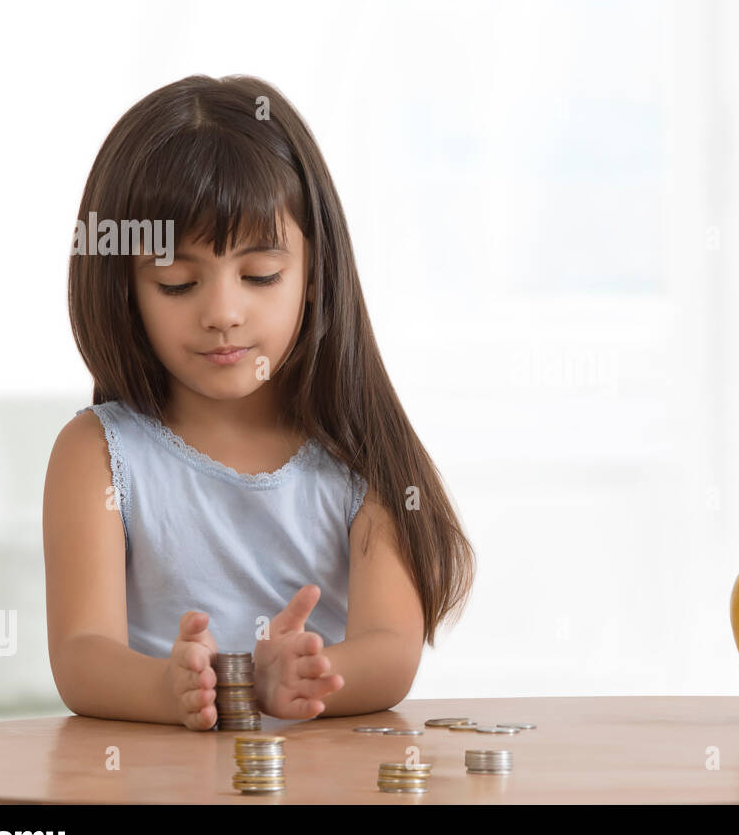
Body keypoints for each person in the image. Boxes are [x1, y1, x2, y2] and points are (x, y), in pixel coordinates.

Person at [43, 74, 475, 730]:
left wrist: (293, 678)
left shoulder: (362, 455)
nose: (222, 313)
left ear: (314, 273)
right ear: (123, 288)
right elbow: (81, 655)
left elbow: (391, 651)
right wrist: (182, 687)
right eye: (178, 283)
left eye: (261, 276)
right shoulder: (98, 455)